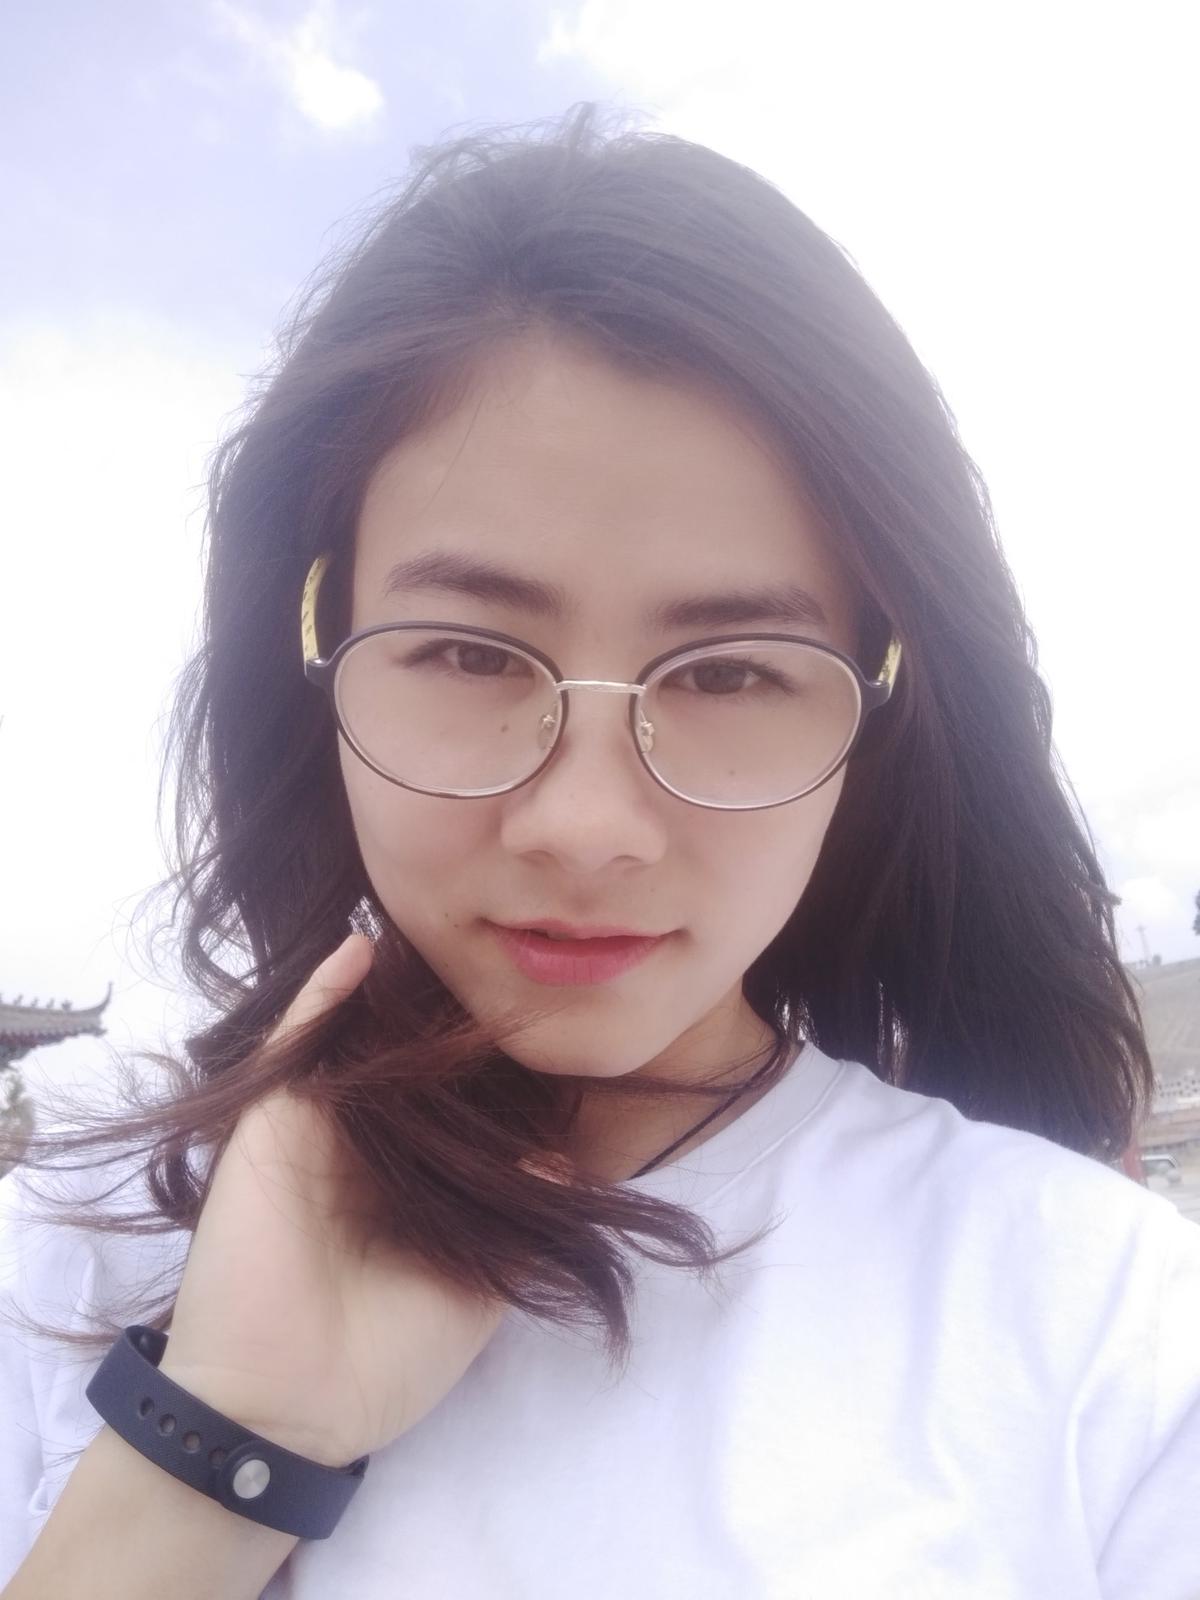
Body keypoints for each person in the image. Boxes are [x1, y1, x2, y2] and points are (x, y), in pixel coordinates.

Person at [1, 101, 1197, 1600]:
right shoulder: (75, 1240)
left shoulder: (1108, 1342)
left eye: (731, 674)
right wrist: (216, 1446)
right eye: (465, 652)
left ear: (882, 706)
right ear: (314, 652)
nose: (586, 826)